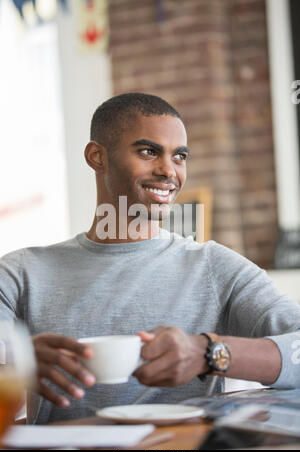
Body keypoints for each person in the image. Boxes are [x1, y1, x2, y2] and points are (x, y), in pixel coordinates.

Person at [1, 92, 300, 425]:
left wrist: (209, 352)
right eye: (148, 151)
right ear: (97, 156)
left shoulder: (215, 267)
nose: (168, 171)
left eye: (180, 156)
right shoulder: (19, 274)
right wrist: (20, 361)